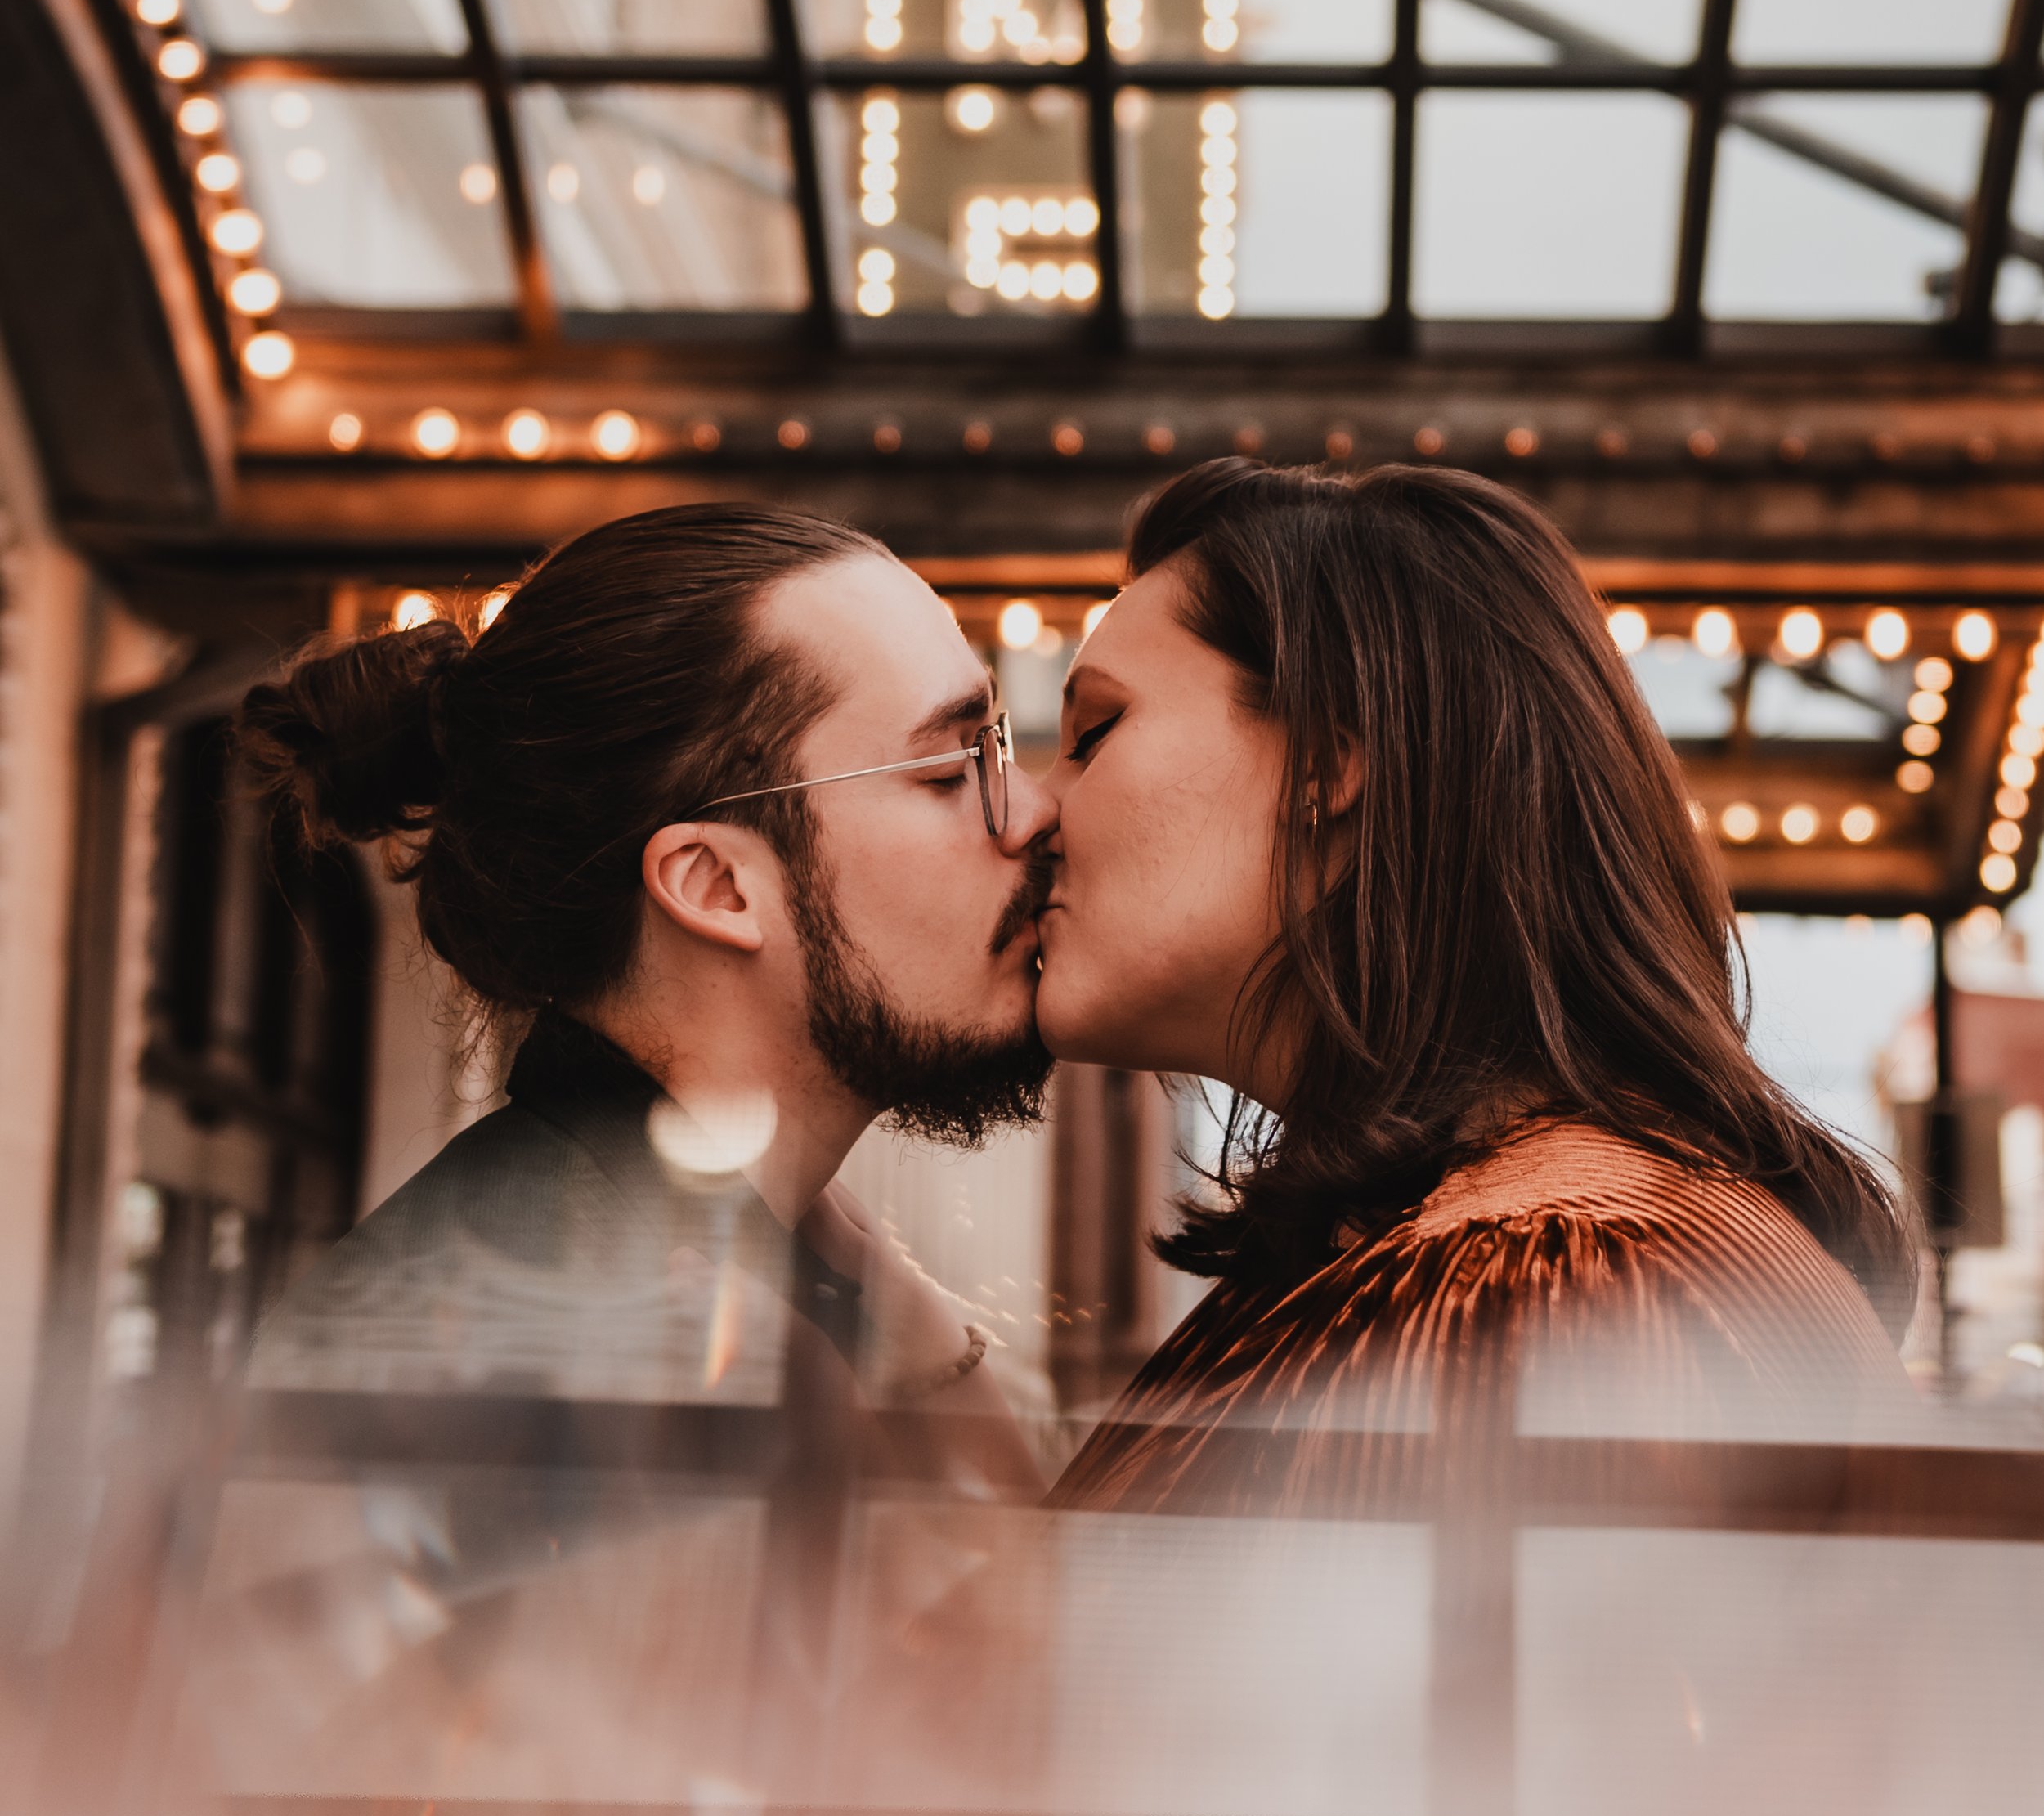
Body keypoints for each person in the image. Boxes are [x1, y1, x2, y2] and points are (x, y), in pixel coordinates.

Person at [1038, 457, 1918, 1513]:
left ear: (1324, 763)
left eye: (1091, 734)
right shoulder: (1446, 1258)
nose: (1033, 809)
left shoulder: (1548, 1286)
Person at [238, 501, 1056, 1430]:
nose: (1033, 811)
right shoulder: (571, 1342)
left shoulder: (733, 1270)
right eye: (952, 769)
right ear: (714, 884)